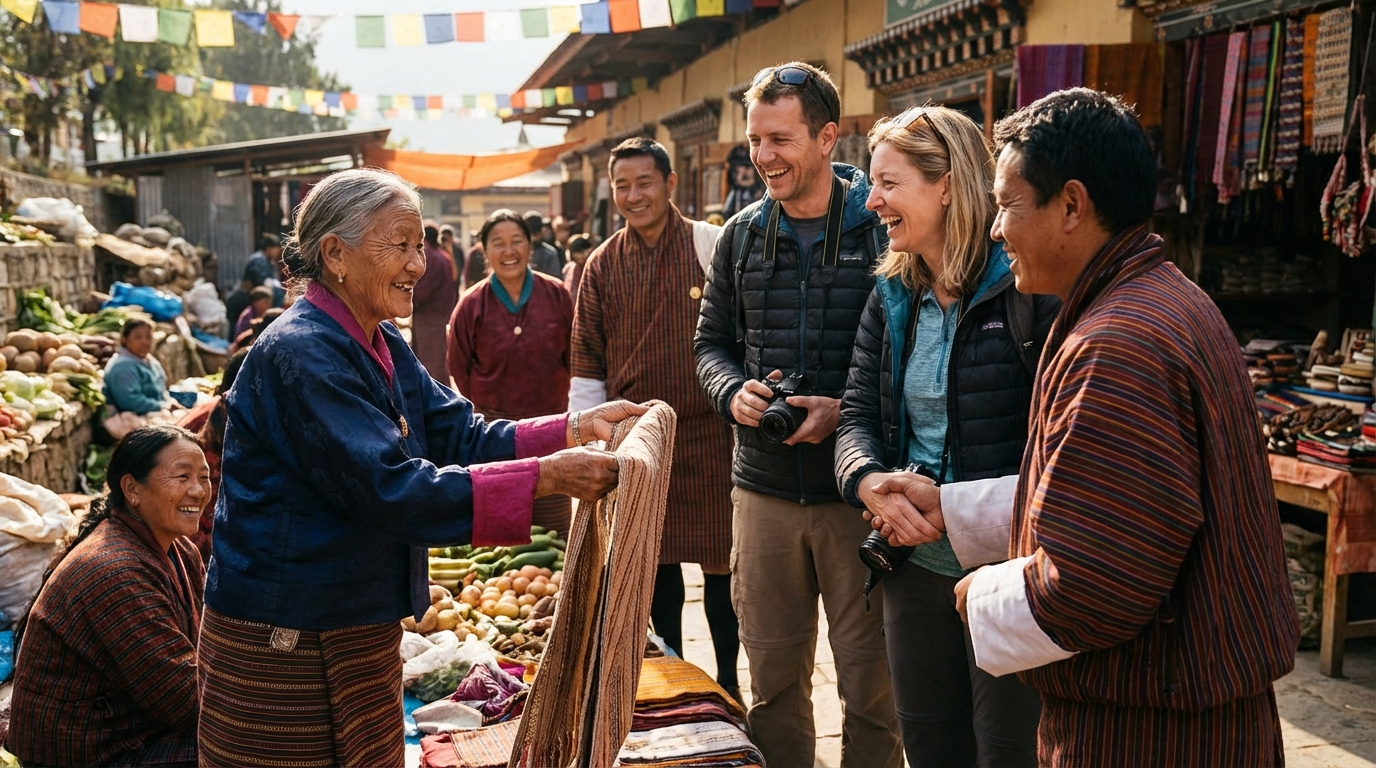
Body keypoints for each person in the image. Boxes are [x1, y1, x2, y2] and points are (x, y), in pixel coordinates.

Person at [867, 89, 1301, 765]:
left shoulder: (1118, 343)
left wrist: (980, 595)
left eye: (1008, 205)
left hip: (1150, 730)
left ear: (1071, 205)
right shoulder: (1161, 299)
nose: (995, 228)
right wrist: (954, 508)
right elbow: (1119, 506)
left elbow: (1095, 585)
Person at [199, 169, 640, 767]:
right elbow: (395, 489)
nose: (420, 265)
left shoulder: (379, 340)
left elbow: (459, 432)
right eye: (400, 246)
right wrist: (550, 477)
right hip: (290, 630)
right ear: (336, 255)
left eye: (419, 246)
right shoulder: (302, 352)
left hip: (355, 616)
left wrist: (570, 428)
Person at [833, 105, 1060, 767]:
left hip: (1009, 572)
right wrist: (868, 481)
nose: (872, 201)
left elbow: (1059, 449)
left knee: (1008, 752)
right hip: (913, 570)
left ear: (948, 184)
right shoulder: (894, 295)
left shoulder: (1026, 291)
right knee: (931, 748)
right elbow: (856, 420)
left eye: (888, 183)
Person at [693, 61, 902, 767]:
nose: (764, 157)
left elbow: (915, 358)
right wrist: (734, 394)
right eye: (755, 140)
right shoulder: (742, 236)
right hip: (764, 492)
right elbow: (710, 345)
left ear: (827, 138)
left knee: (873, 692)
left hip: (861, 494)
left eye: (780, 139)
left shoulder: (884, 233)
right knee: (774, 687)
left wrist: (846, 410)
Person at [569, 137, 739, 699]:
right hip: (643, 438)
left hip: (714, 432)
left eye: (645, 182)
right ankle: (676, 678)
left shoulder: (710, 245)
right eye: (622, 185)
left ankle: (729, 676)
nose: (633, 195)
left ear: (670, 183)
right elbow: (588, 358)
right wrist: (590, 441)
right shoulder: (601, 265)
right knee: (656, 565)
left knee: (723, 567)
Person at [8, 426, 210, 767]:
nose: (198, 491)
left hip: (135, 728)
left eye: (203, 477)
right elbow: (187, 704)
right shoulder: (116, 572)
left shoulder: (180, 549)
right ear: (132, 488)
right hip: (87, 753)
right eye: (182, 476)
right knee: (250, 747)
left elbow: (207, 645)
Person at [448, 209, 575, 534]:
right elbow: (459, 368)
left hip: (552, 431)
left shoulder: (556, 293)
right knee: (502, 530)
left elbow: (574, 356)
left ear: (529, 246)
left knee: (554, 534)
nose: (509, 251)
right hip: (494, 435)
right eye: (498, 243)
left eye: (516, 241)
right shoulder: (472, 303)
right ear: (485, 251)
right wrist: (487, 410)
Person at [103, 318, 175, 436]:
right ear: (125, 340)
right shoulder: (123, 366)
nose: (145, 342)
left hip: (155, 411)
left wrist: (168, 402)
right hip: (133, 416)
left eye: (148, 337)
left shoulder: (149, 361)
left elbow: (162, 388)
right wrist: (162, 406)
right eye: (138, 337)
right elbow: (129, 401)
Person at [413, 222, 458, 380]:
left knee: (429, 359)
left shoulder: (429, 255)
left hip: (428, 314)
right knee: (438, 358)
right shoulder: (443, 255)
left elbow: (423, 288)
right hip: (440, 312)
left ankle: (433, 400)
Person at [225, 234, 284, 329]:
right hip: (243, 300)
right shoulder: (259, 260)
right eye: (277, 248)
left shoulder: (267, 261)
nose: (278, 252)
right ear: (269, 248)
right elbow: (263, 283)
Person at [525, 211, 565, 279]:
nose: (533, 238)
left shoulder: (549, 254)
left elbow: (554, 280)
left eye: (535, 234)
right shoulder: (519, 251)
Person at [564, 234, 593, 302]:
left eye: (583, 251)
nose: (580, 256)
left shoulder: (592, 266)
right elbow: (572, 292)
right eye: (577, 252)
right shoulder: (572, 268)